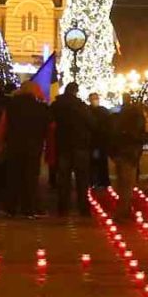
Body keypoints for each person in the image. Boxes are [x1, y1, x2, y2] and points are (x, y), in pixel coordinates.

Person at [1, 80, 49, 216]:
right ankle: (28, 209)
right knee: (30, 178)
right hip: (34, 147)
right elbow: (48, 127)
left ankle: (10, 208)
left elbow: (3, 126)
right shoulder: (40, 107)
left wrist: (2, 143)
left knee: (13, 177)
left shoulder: (11, 106)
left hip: (14, 145)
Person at [52, 80, 94, 214]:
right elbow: (92, 123)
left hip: (63, 145)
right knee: (82, 179)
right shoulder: (81, 106)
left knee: (63, 178)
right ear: (76, 92)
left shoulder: (56, 105)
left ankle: (63, 207)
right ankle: (83, 207)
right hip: (80, 145)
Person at [108, 94, 148, 202]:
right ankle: (124, 210)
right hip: (131, 152)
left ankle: (122, 207)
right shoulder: (136, 115)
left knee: (121, 181)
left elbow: (111, 134)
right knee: (128, 183)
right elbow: (139, 134)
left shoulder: (116, 115)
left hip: (118, 151)